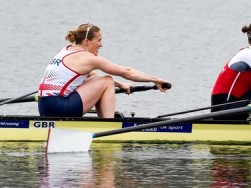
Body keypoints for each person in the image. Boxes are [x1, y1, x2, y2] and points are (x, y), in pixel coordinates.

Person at [38, 23, 170, 118]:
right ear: (87, 41)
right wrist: (156, 80)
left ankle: (105, 121)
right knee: (107, 80)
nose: (101, 45)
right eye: (99, 40)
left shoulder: (66, 50)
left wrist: (120, 85)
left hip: (44, 107)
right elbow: (127, 72)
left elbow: (91, 75)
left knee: (103, 80)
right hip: (59, 108)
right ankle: (107, 125)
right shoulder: (89, 58)